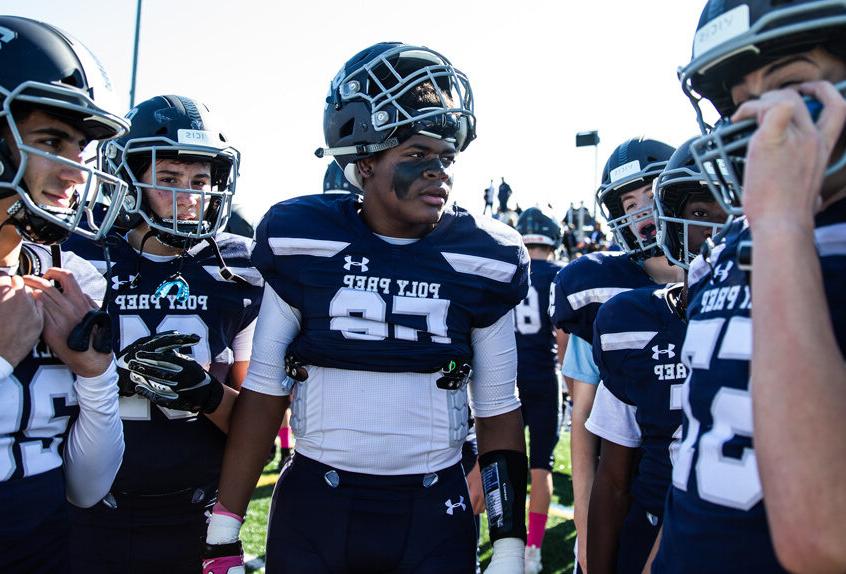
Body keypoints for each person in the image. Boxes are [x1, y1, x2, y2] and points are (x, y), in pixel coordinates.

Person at [203, 42, 530, 574]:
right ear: (366, 160)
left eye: (445, 157)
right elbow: (265, 387)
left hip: (432, 509)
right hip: (318, 503)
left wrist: (510, 543)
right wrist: (224, 530)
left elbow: (497, 407)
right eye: (416, 156)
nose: (438, 172)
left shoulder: (483, 258)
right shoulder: (304, 240)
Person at [653, 1, 846, 572]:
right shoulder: (731, 243)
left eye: (791, 85)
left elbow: (826, 537)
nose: (764, 120)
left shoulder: (773, 229)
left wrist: (783, 227)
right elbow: (700, 463)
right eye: (741, 105)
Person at [63, 94, 263, 573]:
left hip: (193, 512)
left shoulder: (242, 267)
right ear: (128, 181)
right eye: (169, 179)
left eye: (200, 180)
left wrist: (206, 393)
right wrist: (106, 377)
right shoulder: (74, 254)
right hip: (86, 512)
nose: (190, 196)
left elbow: (259, 423)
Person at [0, 15, 126, 573]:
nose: (76, 172)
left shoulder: (65, 278)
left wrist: (95, 374)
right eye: (52, 141)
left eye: (81, 148)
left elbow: (87, 488)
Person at [584, 140, 728, 574]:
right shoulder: (625, 317)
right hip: (647, 523)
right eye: (699, 214)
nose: (711, 232)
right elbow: (612, 477)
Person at [550, 137, 681, 573]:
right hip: (630, 479)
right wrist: (585, 528)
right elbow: (585, 419)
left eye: (652, 192)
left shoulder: (722, 272)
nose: (642, 209)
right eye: (629, 202)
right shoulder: (599, 290)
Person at [513, 207, 567, 574]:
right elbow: (563, 336)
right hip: (545, 376)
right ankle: (532, 550)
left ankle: (507, 545)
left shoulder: (510, 271)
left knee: (502, 464)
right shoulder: (561, 275)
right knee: (540, 466)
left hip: (509, 378)